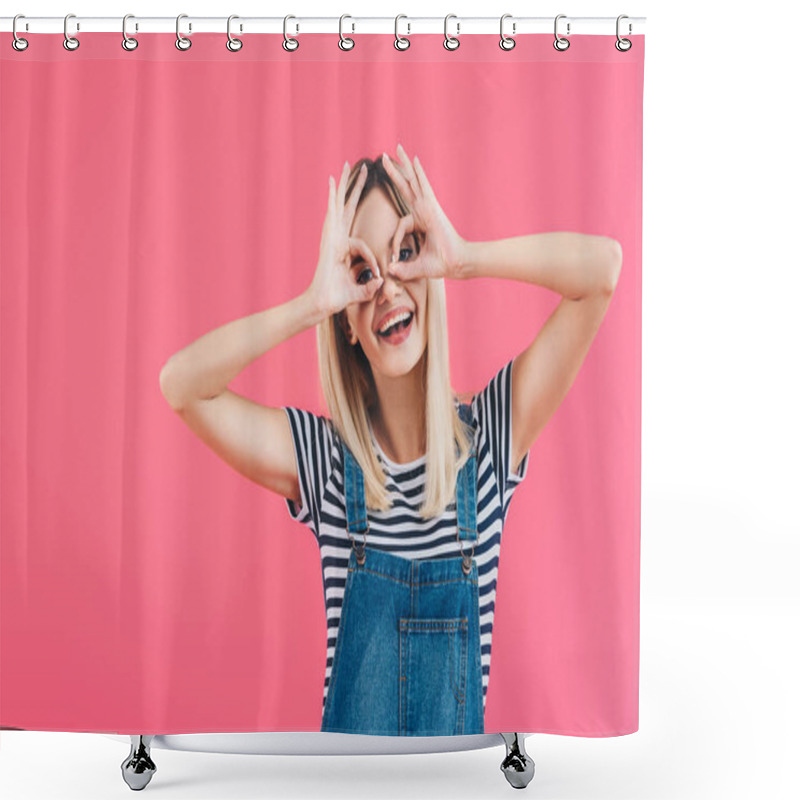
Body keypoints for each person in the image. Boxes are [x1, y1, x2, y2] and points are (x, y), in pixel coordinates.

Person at [159, 143, 622, 736]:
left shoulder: (490, 441)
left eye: (406, 254)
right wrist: (311, 305)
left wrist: (462, 259)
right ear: (347, 324)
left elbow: (602, 270)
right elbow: (182, 386)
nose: (386, 287)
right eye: (361, 272)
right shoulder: (324, 462)